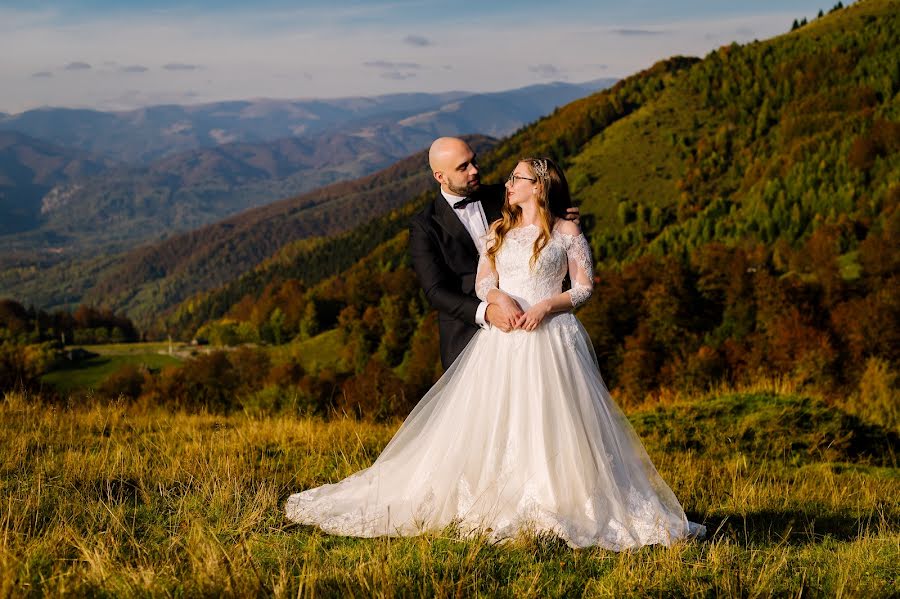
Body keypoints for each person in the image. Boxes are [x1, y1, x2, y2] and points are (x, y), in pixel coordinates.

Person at [285, 156, 706, 549]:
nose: (503, 182)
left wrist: (545, 305)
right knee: (497, 418)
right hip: (502, 338)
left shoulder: (567, 231)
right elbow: (483, 280)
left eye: (515, 178)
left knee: (557, 418)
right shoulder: (498, 229)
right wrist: (498, 299)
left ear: (538, 187)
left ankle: (565, 496)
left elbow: (584, 287)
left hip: (553, 337)